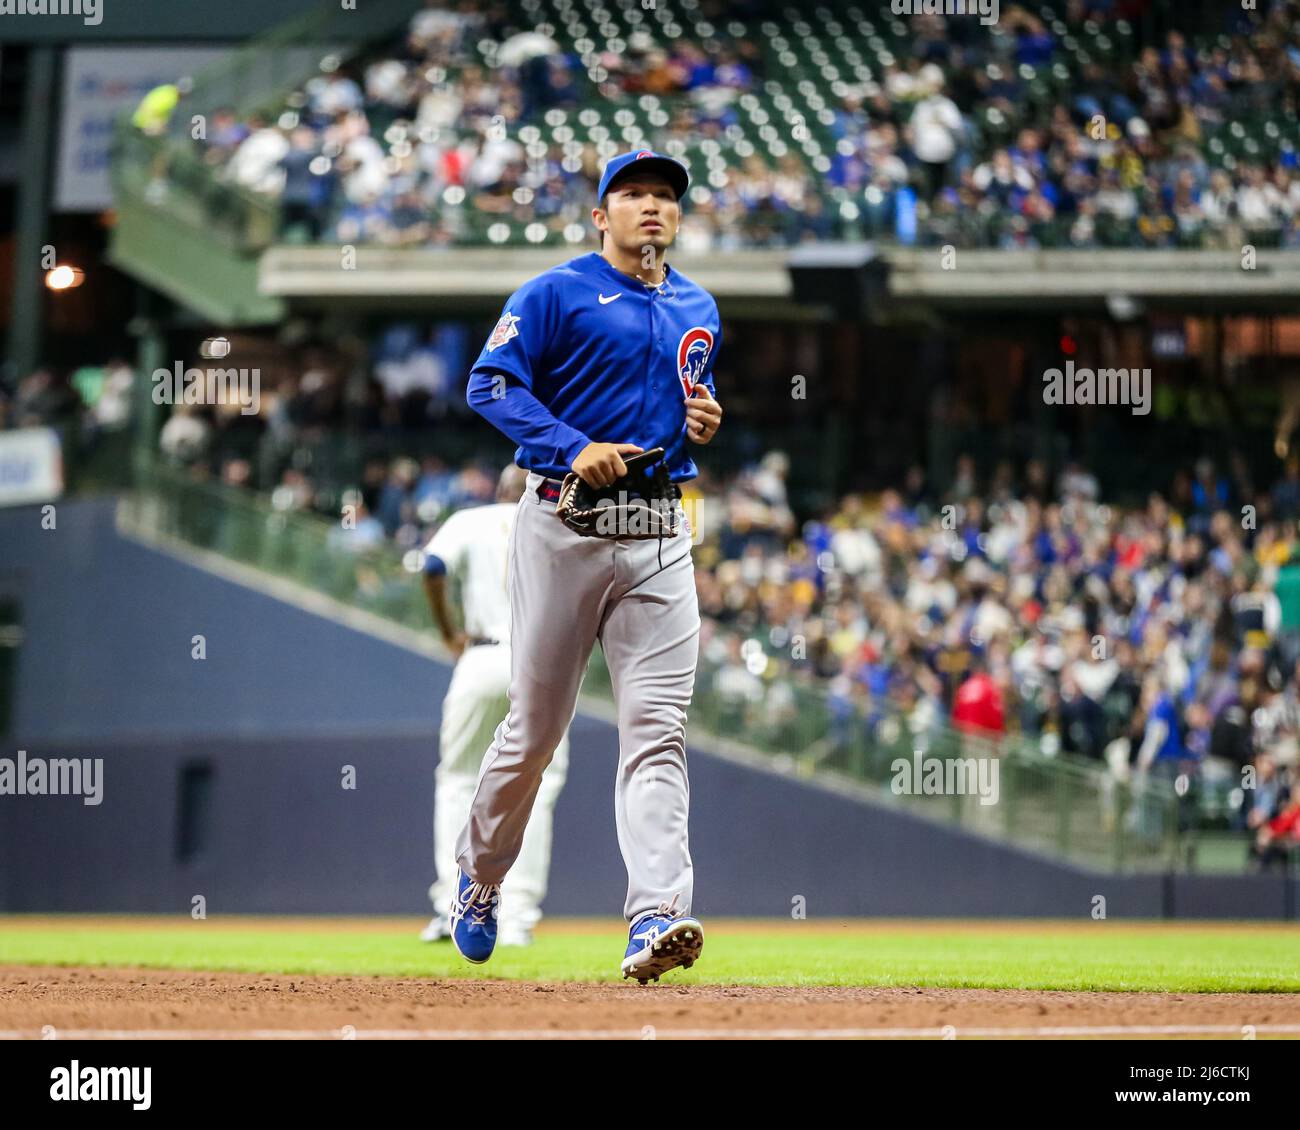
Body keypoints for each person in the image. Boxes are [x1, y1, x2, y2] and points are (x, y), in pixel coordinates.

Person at [452, 149, 724, 983]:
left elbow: (678, 408)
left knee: (658, 735)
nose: (652, 206)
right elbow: (489, 384)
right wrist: (573, 447)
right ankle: (479, 878)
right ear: (600, 216)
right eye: (633, 194)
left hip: (659, 534)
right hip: (562, 526)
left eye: (664, 196)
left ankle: (657, 916)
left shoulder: (697, 305)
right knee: (534, 733)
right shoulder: (555, 292)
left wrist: (703, 420)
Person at [418, 465, 570, 948]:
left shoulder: (472, 519)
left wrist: (447, 631)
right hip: (538, 660)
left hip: (480, 655)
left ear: (500, 488)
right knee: (536, 788)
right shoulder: (559, 519)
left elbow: (432, 566)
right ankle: (519, 915)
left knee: (459, 778)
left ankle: (451, 906)